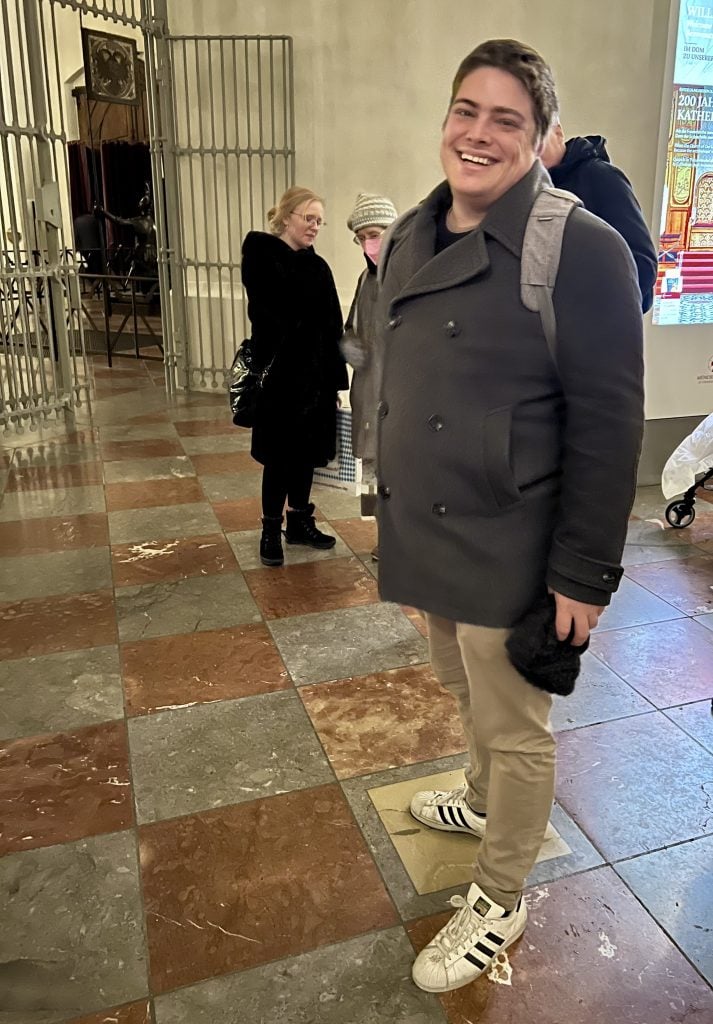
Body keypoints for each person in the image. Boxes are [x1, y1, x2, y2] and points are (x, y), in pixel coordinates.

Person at [376, 39, 644, 993]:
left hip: (510, 540)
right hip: (429, 528)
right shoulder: (415, 227)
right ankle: (483, 798)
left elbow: (610, 424)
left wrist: (582, 574)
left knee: (515, 719)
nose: (478, 134)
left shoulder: (579, 245)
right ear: (445, 118)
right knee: (460, 684)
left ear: (540, 140)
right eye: (466, 111)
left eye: (506, 120)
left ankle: (500, 892)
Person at [241, 186, 347, 567]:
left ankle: (299, 521)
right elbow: (269, 315)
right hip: (281, 379)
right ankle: (271, 528)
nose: (315, 226)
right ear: (287, 217)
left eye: (320, 220)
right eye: (309, 218)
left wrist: (334, 383)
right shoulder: (261, 256)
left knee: (307, 457)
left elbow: (334, 326)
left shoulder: (318, 266)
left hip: (316, 380)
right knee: (279, 458)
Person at [540, 124, 657, 312]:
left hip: (594, 326)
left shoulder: (601, 177)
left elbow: (641, 265)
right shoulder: (530, 187)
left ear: (557, 131)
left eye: (538, 136)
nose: (532, 148)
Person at [342, 192, 398, 560]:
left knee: (401, 470)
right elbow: (351, 328)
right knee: (375, 471)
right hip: (369, 391)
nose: (368, 243)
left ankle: (402, 541)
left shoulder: (407, 275)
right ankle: (385, 538)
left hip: (399, 394)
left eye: (374, 233)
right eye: (361, 237)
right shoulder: (365, 278)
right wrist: (352, 349)